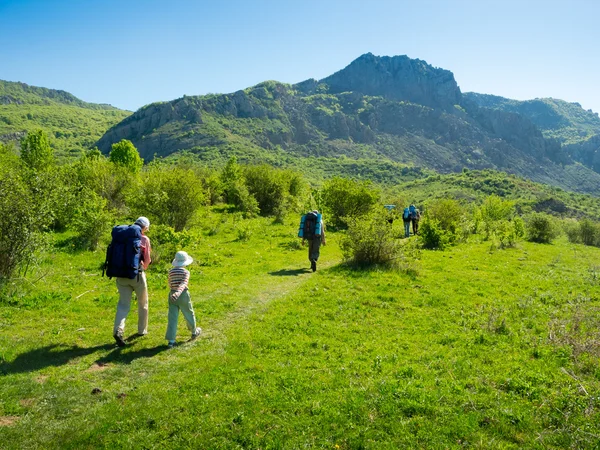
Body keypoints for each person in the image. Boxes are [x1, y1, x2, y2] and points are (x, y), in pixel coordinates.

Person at [113, 216, 152, 347]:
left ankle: (118, 330)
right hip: (137, 275)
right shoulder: (144, 239)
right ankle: (142, 330)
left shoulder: (121, 236)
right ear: (144, 227)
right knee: (143, 303)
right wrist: (143, 268)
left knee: (123, 305)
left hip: (120, 274)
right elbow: (147, 260)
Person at [165, 251, 201, 348]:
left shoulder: (171, 272)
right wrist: (178, 292)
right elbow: (183, 283)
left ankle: (171, 341)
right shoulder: (186, 272)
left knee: (172, 317)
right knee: (189, 313)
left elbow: (170, 283)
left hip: (172, 294)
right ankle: (194, 331)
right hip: (183, 294)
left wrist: (174, 292)